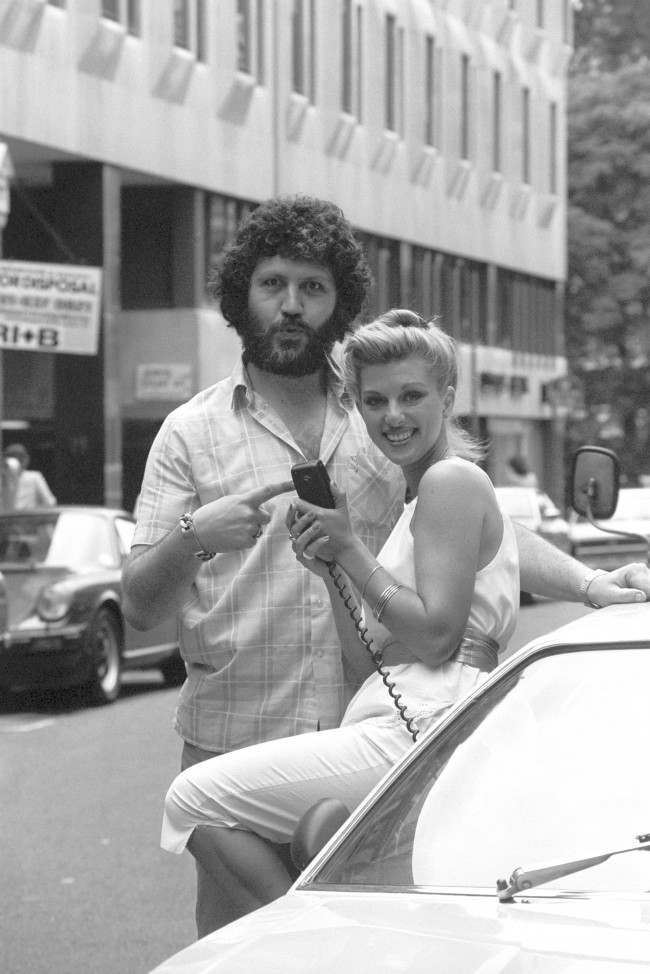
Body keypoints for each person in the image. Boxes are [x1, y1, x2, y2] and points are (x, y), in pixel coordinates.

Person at [123, 194, 650, 937]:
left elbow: (475, 533)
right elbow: (139, 606)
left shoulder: (382, 420)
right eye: (274, 284)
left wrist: (593, 584)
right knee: (237, 950)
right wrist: (195, 535)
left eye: (314, 288)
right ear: (241, 294)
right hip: (239, 730)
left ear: (339, 301)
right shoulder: (189, 433)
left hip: (377, 731)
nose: (293, 305)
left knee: (394, 937)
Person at [160, 311, 520, 911]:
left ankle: (318, 943)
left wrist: (352, 548)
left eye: (412, 396)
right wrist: (333, 573)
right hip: (400, 715)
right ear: (356, 406)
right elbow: (366, 667)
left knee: (193, 798)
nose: (393, 417)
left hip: (427, 720)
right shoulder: (419, 498)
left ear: (448, 398)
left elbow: (436, 637)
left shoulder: (451, 481)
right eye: (374, 401)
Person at [3, 444, 56, 509]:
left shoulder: (34, 477)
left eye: (21, 457)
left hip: (27, 517)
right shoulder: (2, 478)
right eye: (15, 457)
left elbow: (49, 503)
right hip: (4, 517)